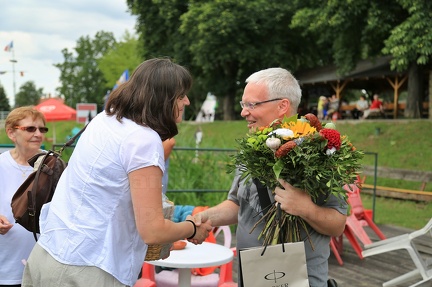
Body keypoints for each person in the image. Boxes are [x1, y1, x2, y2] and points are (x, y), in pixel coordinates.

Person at [21, 58, 213, 287]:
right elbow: (152, 230)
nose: (187, 101)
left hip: (48, 251)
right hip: (89, 268)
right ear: (164, 98)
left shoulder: (104, 120)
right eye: (181, 95)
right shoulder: (143, 139)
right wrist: (192, 228)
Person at [193, 68, 347, 287]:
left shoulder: (319, 152)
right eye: (243, 104)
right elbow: (238, 204)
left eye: (252, 105)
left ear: (282, 106)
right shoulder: (250, 148)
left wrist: (305, 208)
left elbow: (338, 225)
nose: (244, 112)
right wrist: (203, 218)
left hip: (300, 280)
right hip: (252, 275)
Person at [0, 106, 48, 287]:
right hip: (5, 268)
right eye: (30, 128)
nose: (38, 134)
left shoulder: (53, 167)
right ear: (12, 133)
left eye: (42, 129)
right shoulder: (1, 164)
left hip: (42, 267)